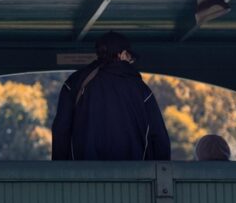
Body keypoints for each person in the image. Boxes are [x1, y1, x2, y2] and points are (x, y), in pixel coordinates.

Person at [52, 31, 171, 161]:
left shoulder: (75, 82)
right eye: (130, 58)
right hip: (135, 174)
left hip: (84, 173)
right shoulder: (140, 89)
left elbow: (61, 130)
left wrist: (61, 171)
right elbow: (158, 135)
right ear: (123, 54)